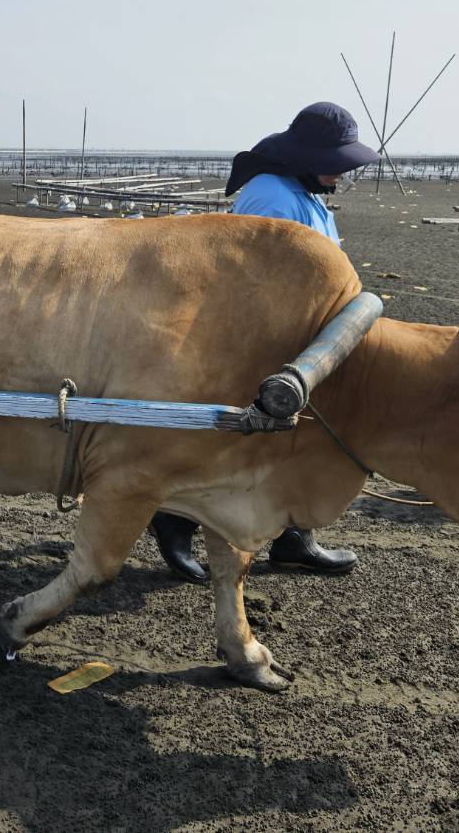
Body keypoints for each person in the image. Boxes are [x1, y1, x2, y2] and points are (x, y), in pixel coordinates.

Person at [152, 101, 379, 580]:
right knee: (235, 442)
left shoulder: (306, 191)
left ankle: (294, 538)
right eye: (336, 166)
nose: (340, 176)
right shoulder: (272, 198)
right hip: (265, 340)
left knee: (293, 442)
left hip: (306, 337)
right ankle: (172, 521)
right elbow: (261, 282)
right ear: (307, 158)